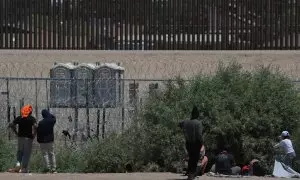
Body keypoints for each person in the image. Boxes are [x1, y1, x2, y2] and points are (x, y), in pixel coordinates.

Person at [8, 104, 37, 173]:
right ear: (29, 111)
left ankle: (18, 166)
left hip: (20, 137)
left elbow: (12, 125)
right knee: (26, 153)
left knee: (20, 152)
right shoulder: (31, 118)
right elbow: (36, 126)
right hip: (28, 138)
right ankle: (24, 168)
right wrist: (34, 134)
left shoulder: (19, 118)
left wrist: (16, 132)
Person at [179, 106, 203, 180]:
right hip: (196, 143)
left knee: (191, 157)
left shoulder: (185, 121)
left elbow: (179, 124)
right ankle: (192, 174)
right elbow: (199, 134)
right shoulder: (198, 123)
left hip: (188, 143)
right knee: (195, 158)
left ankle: (189, 172)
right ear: (197, 114)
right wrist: (202, 142)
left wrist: (184, 129)